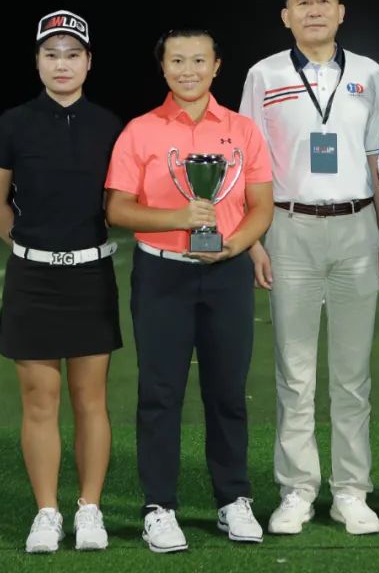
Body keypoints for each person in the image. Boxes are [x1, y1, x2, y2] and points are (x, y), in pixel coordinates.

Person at [238, 0, 379, 535]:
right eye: (302, 1)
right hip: (289, 229)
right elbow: (250, 163)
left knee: (353, 374)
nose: (314, 9)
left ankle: (351, 491)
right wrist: (255, 241)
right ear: (286, 15)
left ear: (341, 11)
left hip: (357, 228)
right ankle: (298, 490)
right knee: (295, 372)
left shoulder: (370, 73)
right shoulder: (263, 74)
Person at [105, 29, 274, 553]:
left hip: (226, 274)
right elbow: (117, 208)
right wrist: (178, 218)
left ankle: (233, 498)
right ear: (163, 68)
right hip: (162, 274)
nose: (188, 70)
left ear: (216, 65)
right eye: (177, 61)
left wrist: (234, 246)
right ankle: (159, 506)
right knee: (160, 393)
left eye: (199, 60)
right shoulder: (139, 131)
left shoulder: (243, 130)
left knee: (227, 391)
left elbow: (261, 205)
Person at [0, 10, 121, 553]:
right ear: (37, 61)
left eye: (72, 54)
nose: (62, 64)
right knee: (40, 400)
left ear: (89, 62)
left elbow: (119, 200)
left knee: (91, 399)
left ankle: (89, 509)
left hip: (91, 275)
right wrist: (31, 248)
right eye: (51, 54)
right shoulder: (12, 124)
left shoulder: (110, 125)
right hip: (33, 278)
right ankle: (47, 512)